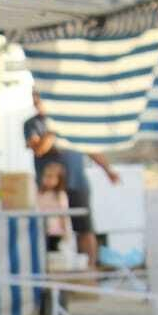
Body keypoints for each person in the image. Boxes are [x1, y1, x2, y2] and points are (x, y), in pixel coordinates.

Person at [23, 114, 120, 268]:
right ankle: (49, 270)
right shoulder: (32, 124)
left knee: (84, 228)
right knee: (49, 231)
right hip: (50, 190)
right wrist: (53, 131)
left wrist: (108, 170)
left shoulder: (73, 118)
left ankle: (89, 269)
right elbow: (39, 149)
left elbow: (90, 148)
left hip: (77, 183)